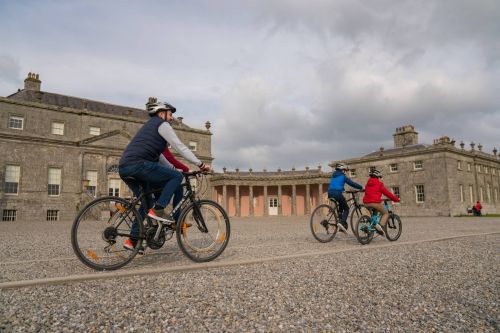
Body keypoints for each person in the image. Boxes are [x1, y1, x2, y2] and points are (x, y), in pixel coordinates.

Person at [119, 101, 210, 251]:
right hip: (138, 165)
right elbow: (180, 147)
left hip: (125, 168)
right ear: (162, 113)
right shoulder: (161, 125)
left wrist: (177, 170)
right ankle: (159, 209)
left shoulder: (151, 129)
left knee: (146, 200)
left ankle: (132, 241)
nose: (172, 117)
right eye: (170, 114)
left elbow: (162, 160)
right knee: (176, 178)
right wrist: (200, 164)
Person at [362, 168, 399, 236]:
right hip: (375, 203)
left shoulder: (367, 184)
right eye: (379, 177)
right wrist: (396, 199)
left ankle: (372, 226)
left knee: (375, 213)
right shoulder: (379, 184)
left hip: (366, 203)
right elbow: (387, 193)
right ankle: (380, 227)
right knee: (386, 213)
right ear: (378, 177)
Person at [327, 162, 363, 232]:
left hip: (330, 193)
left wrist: (342, 190)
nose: (345, 172)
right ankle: (341, 222)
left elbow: (335, 185)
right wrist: (361, 187)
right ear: (342, 169)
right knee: (346, 209)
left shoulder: (334, 175)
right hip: (337, 193)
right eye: (345, 170)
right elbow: (351, 183)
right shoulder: (343, 176)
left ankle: (339, 218)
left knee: (342, 202)